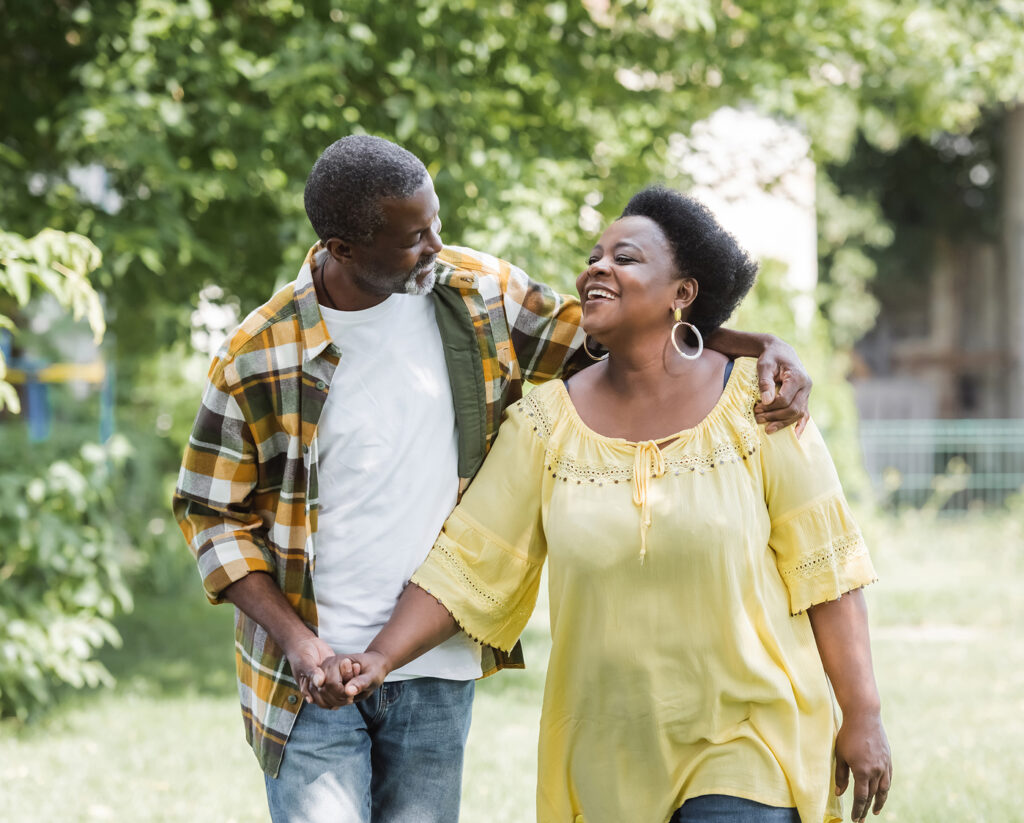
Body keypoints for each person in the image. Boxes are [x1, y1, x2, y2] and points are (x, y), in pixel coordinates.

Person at [173, 138, 813, 823]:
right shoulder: (257, 353)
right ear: (345, 248)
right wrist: (299, 643)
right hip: (308, 675)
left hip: (436, 665)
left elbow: (625, 331)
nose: (436, 245)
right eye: (415, 237)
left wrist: (760, 344)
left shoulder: (479, 294)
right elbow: (210, 513)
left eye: (436, 222)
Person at [323, 186, 892, 823]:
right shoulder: (544, 424)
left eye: (625, 258)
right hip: (604, 755)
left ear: (683, 293)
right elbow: (467, 565)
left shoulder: (760, 405)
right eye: (594, 256)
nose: (597, 267)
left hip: (748, 736)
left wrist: (862, 716)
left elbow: (828, 573)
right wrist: (379, 657)